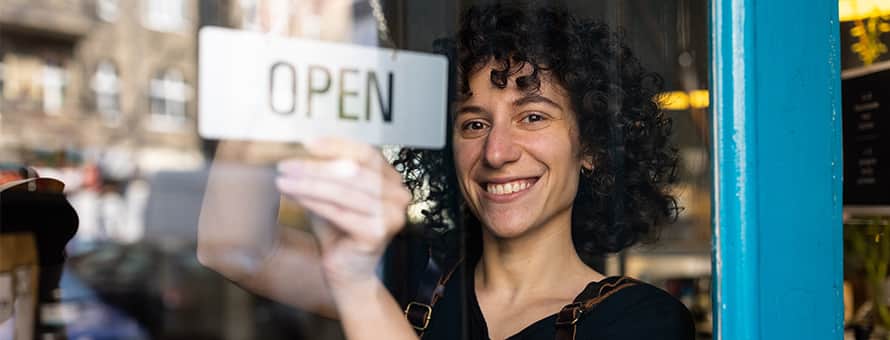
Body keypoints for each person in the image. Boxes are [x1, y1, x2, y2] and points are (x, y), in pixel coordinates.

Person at [198, 3, 694, 339]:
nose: (497, 152)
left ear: (592, 147)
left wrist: (355, 283)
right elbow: (234, 246)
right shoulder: (415, 278)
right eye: (474, 123)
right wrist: (284, 52)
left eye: (533, 116)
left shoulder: (642, 321)